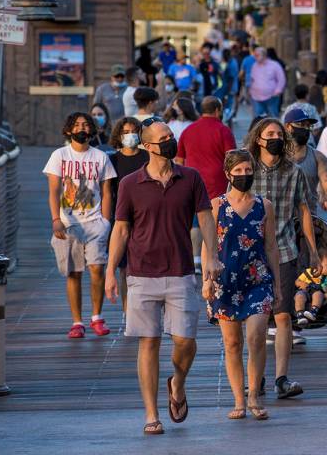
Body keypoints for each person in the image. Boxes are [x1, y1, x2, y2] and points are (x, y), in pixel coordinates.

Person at [105, 119, 223, 435]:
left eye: (171, 136)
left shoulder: (191, 177)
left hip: (181, 270)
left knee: (186, 341)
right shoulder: (130, 183)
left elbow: (206, 219)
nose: (170, 141)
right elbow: (121, 229)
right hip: (141, 273)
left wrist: (212, 257)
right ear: (147, 146)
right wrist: (110, 272)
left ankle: (178, 383)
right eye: (163, 138)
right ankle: (150, 414)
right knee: (150, 342)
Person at [245, 117, 321, 399]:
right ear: (258, 139)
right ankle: (256, 377)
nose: (275, 137)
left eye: (279, 133)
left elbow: (304, 211)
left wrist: (312, 250)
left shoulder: (295, 171)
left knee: (283, 315)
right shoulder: (247, 169)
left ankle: (281, 378)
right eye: (269, 133)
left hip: (286, 248)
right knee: (256, 319)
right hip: (251, 250)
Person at [203, 149, 280, 421]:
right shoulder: (216, 205)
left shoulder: (264, 205)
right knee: (232, 342)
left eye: (248, 171)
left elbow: (271, 246)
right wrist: (206, 280)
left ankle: (254, 396)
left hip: (257, 278)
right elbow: (208, 246)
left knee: (256, 336)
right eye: (239, 172)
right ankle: (238, 400)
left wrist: (278, 286)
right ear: (228, 174)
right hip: (225, 282)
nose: (244, 176)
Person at [43, 112, 117, 338]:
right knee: (73, 273)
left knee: (97, 269)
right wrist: (56, 219)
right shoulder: (59, 155)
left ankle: (96, 317)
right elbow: (54, 191)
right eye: (76, 125)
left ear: (92, 130)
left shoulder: (101, 157)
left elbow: (107, 192)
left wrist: (106, 222)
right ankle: (77, 322)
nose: (81, 128)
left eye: (85, 124)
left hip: (95, 222)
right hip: (68, 224)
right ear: (69, 130)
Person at [177, 96, 237, 271]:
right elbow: (232, 158)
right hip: (218, 183)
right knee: (218, 219)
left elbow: (179, 160)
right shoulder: (223, 130)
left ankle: (196, 258)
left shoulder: (188, 130)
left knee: (196, 220)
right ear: (218, 110)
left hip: (193, 182)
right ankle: (215, 255)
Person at [107, 117, 149, 311]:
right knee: (124, 269)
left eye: (133, 131)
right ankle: (127, 311)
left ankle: (145, 307)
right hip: (122, 217)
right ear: (119, 135)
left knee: (145, 266)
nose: (129, 135)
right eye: (125, 132)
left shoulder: (147, 157)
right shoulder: (112, 159)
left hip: (146, 218)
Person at [284, 108, 327, 215]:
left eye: (308, 126)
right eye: (301, 124)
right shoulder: (275, 155)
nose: (306, 129)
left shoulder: (318, 157)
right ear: (288, 127)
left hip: (308, 219)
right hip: (280, 219)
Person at [293, 245, 327, 325]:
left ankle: (313, 311)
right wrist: (301, 283)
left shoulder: (326, 278)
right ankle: (300, 314)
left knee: (318, 294)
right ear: (318, 264)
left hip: (316, 292)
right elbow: (297, 281)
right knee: (299, 296)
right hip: (304, 291)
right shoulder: (308, 272)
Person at [248, 46, 286, 118]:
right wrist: (251, 89)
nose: (255, 57)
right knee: (258, 119)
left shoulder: (274, 65)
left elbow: (281, 79)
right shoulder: (254, 65)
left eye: (257, 55)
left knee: (273, 117)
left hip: (271, 97)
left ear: (264, 55)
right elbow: (252, 79)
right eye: (255, 55)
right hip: (256, 97)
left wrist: (278, 91)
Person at [215, 46, 240, 123]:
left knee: (228, 105)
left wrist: (227, 92)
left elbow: (231, 78)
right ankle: (227, 119)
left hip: (229, 88)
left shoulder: (232, 64)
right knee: (228, 105)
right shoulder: (232, 62)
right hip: (230, 87)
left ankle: (227, 119)